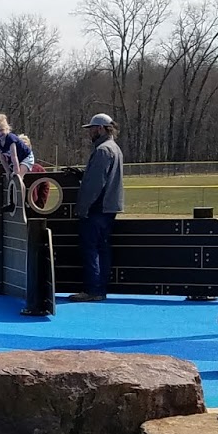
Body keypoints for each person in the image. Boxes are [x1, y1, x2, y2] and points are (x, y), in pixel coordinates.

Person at [67, 112, 124, 302]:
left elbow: (96, 184)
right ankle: (100, 288)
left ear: (100, 129)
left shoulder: (102, 150)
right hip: (109, 207)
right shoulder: (114, 148)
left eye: (91, 128)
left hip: (97, 208)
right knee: (102, 248)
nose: (89, 132)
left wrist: (82, 207)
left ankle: (93, 289)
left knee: (91, 248)